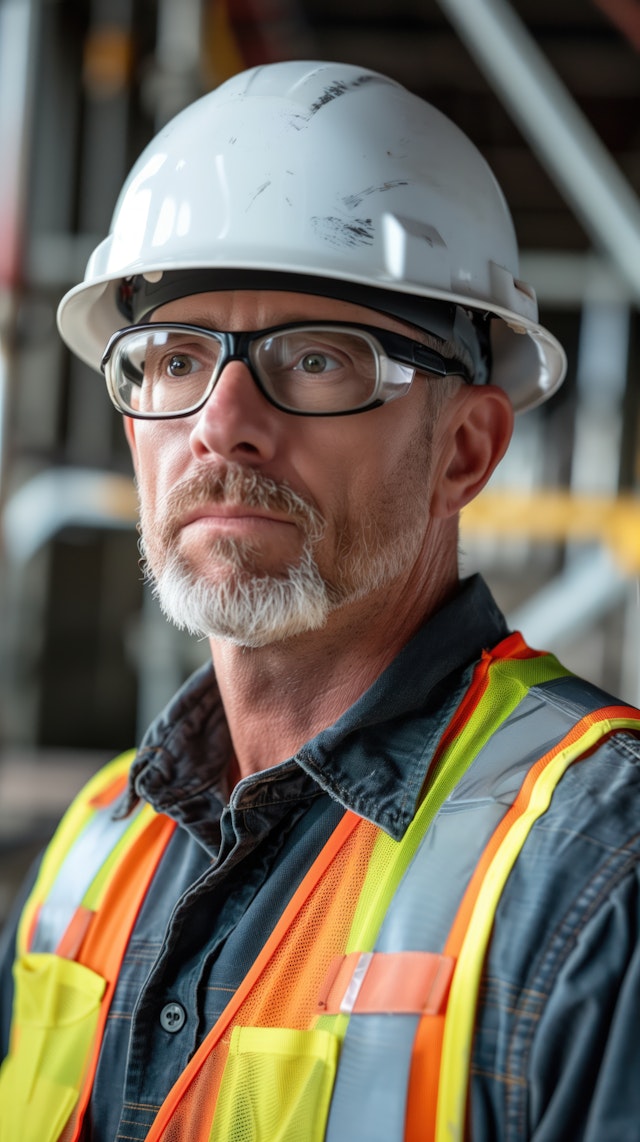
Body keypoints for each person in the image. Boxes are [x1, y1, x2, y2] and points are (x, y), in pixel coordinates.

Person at [1, 58, 639, 1142]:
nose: (221, 421)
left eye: (315, 358)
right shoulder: (97, 843)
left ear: (465, 448)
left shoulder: (595, 864)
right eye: (171, 359)